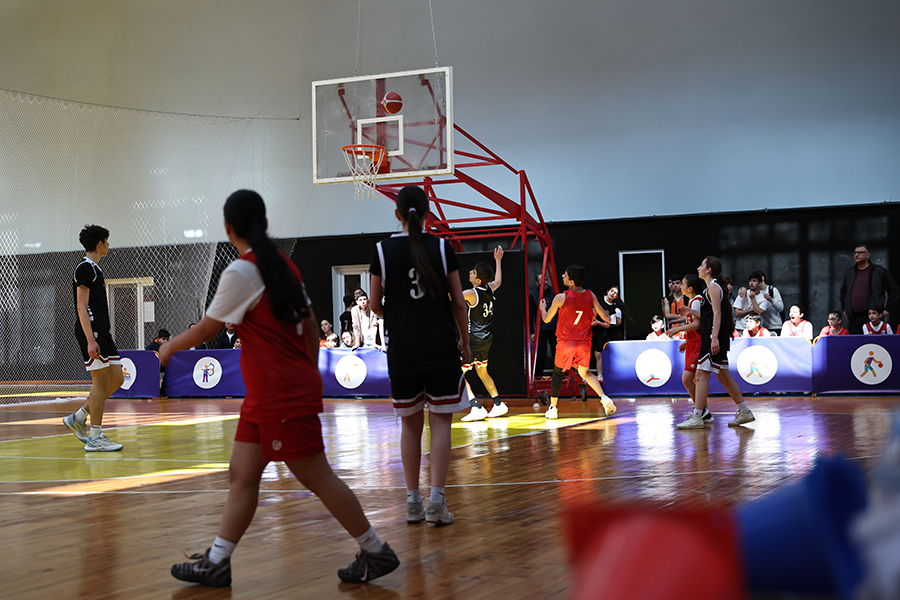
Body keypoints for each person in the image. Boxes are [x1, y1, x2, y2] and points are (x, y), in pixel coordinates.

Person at [162, 190, 398, 587]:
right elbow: (310, 326)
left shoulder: (242, 272)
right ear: (265, 223)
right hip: (269, 393)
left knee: (317, 475)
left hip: (279, 393)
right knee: (241, 474)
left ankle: (375, 550)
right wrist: (306, 370)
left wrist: (168, 348)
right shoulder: (284, 266)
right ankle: (217, 562)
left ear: (228, 228)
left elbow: (206, 329)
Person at [368, 185, 471, 527]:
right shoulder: (441, 247)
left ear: (397, 214)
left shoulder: (382, 250)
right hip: (440, 345)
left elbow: (374, 305)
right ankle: (436, 503)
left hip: (403, 350)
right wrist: (465, 341)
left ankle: (413, 502)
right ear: (427, 214)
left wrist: (400, 315)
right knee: (441, 422)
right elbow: (459, 302)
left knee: (410, 426)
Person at [62, 224, 126, 452]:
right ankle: (95, 437)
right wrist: (90, 339)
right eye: (107, 241)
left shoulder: (94, 269)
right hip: (93, 332)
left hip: (102, 332)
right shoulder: (85, 268)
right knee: (100, 382)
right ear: (100, 244)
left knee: (117, 378)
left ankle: (78, 417)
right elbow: (81, 306)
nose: (109, 245)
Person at [677, 256, 754, 430]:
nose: (698, 268)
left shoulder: (713, 287)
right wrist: (691, 312)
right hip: (714, 334)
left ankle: (698, 416)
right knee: (723, 376)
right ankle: (744, 411)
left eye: (701, 265)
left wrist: (714, 337)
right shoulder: (711, 288)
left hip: (713, 335)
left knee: (700, 375)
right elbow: (710, 315)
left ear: (709, 269)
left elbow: (718, 314)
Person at [540, 265, 617, 420]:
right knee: (585, 372)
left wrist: (542, 308)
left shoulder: (560, 298)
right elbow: (607, 319)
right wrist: (595, 316)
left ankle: (553, 408)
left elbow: (547, 319)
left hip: (566, 342)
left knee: (557, 374)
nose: (562, 276)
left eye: (565, 275)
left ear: (572, 282)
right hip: (583, 343)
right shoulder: (590, 295)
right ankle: (604, 398)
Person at [460, 247, 509, 422]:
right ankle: (498, 404)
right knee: (482, 371)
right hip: (486, 339)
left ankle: (475, 407)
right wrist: (498, 260)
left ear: (478, 280)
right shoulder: (489, 288)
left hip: (473, 340)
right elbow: (498, 281)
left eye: (473, 272)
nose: (470, 273)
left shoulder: (471, 294)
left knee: (458, 374)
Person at [666, 275, 709, 422]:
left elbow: (697, 324)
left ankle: (700, 411)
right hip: (693, 342)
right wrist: (687, 340)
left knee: (687, 379)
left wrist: (677, 329)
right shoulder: (693, 301)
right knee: (696, 380)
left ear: (690, 288)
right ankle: (703, 411)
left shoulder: (696, 301)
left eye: (683, 284)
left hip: (698, 344)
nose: (680, 287)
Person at [841, 244, 900, 334]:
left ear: (868, 255)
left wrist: (887, 310)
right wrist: (845, 309)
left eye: (860, 252)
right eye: (855, 253)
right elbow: (843, 292)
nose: (857, 255)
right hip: (854, 319)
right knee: (855, 342)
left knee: (873, 343)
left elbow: (893, 290)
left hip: (873, 319)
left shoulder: (878, 271)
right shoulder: (850, 272)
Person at [592, 286, 626, 377]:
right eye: (612, 291)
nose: (613, 294)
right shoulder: (598, 299)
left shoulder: (614, 308)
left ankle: (601, 375)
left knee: (599, 353)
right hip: (589, 329)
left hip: (601, 331)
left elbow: (608, 325)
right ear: (608, 291)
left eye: (615, 293)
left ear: (616, 297)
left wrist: (598, 323)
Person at [528, 274, 557, 378]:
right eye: (542, 280)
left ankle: (559, 377)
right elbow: (531, 314)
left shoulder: (554, 292)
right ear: (537, 283)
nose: (545, 282)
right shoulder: (533, 295)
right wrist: (532, 332)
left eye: (546, 280)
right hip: (541, 329)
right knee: (541, 355)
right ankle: (537, 377)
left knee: (557, 354)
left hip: (554, 328)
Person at [146, 328, 171, 397]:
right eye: (163, 339)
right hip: (151, 366)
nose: (165, 341)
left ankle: (163, 390)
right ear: (159, 339)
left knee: (169, 369)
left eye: (167, 339)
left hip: (161, 365)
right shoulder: (154, 345)